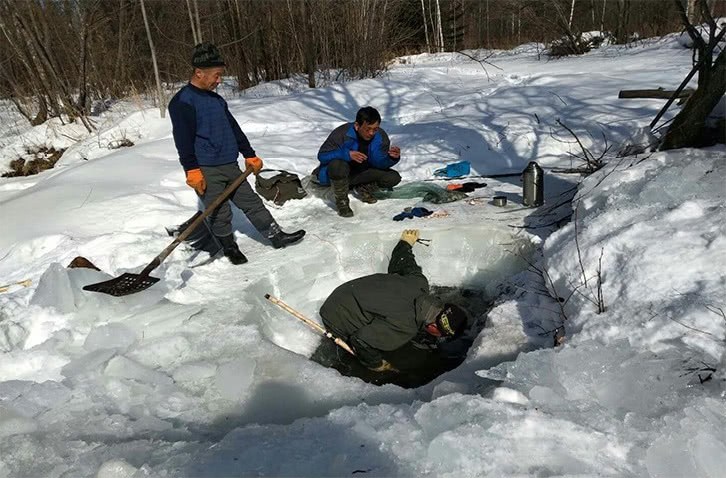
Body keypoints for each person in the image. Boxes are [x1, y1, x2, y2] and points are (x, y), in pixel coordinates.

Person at [169, 42, 305, 265]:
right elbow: (182, 140)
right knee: (219, 211)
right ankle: (229, 247)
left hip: (229, 164)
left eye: (220, 75)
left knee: (250, 201)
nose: (219, 80)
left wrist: (249, 154)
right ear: (199, 72)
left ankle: (276, 235)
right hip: (206, 167)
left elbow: (233, 128)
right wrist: (192, 170)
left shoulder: (216, 100)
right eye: (216, 75)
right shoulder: (183, 102)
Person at [319, 229, 468, 372]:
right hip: (336, 314)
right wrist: (377, 364)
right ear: (434, 327)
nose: (440, 338)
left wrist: (406, 242)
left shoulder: (419, 283)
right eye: (442, 335)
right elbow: (361, 340)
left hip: (348, 291)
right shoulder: (405, 326)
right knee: (367, 345)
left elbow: (402, 260)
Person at [315, 106, 402, 217]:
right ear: (357, 126)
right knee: (338, 164)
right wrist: (347, 154)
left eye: (375, 129)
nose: (371, 133)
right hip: (336, 174)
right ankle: (342, 202)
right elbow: (322, 156)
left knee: (393, 177)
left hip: (360, 174)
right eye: (367, 129)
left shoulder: (380, 136)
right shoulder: (342, 133)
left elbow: (379, 163)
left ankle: (363, 188)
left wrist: (392, 158)